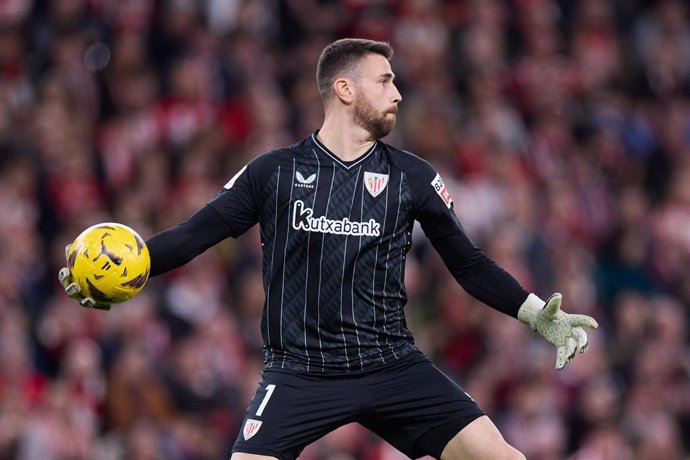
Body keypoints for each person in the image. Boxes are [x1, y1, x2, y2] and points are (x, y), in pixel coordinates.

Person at [59, 38, 598, 460]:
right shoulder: (275, 172)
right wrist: (123, 270)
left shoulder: (413, 176)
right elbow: (197, 233)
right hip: (300, 371)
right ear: (344, 89)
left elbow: (468, 262)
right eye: (385, 81)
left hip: (391, 363)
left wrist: (535, 315)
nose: (397, 93)